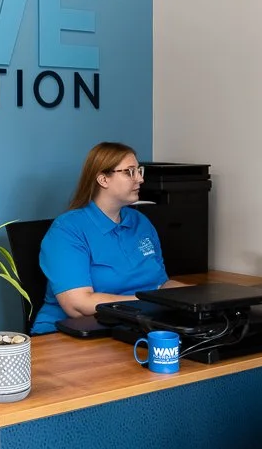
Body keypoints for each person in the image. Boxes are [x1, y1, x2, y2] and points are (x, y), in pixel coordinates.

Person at [30, 142, 184, 334]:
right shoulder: (67, 230)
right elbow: (78, 305)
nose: (140, 179)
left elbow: (160, 284)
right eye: (130, 172)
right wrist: (155, 302)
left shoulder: (141, 222)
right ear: (103, 179)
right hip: (71, 333)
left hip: (133, 324)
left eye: (139, 171)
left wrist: (196, 297)